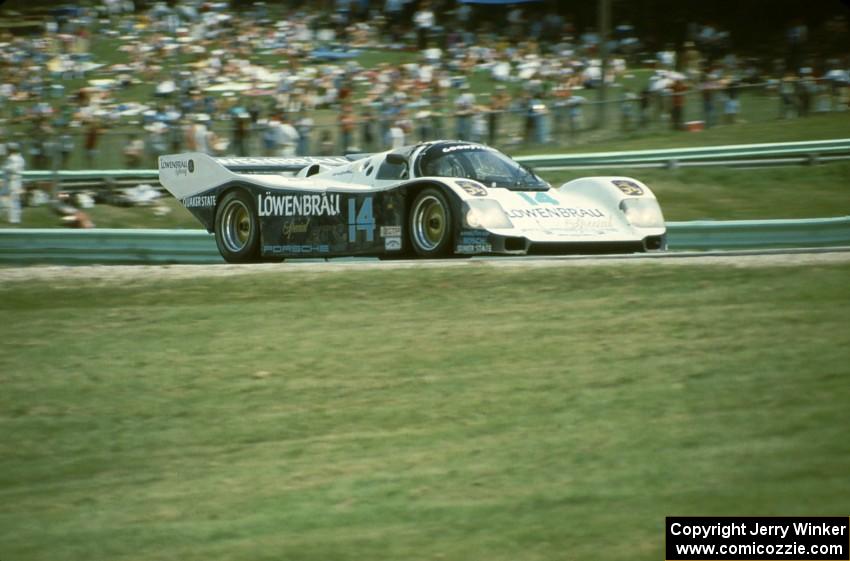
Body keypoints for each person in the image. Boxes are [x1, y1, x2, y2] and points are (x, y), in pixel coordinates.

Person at [3, 143, 25, 224]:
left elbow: (13, 169)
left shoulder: (13, 158)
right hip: (16, 180)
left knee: (13, 199)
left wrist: (6, 167)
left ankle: (13, 219)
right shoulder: (21, 158)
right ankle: (15, 218)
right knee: (16, 199)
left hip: (13, 180)